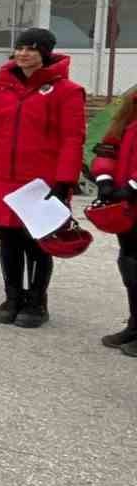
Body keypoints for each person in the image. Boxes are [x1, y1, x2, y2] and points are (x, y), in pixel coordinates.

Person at [0, 29, 84, 327]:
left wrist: (65, 179)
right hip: (0, 176)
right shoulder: (0, 89)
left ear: (46, 53)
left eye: (31, 49)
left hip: (41, 181)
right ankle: (12, 295)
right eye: (19, 48)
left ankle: (37, 300)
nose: (23, 54)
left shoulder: (67, 91)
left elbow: (72, 138)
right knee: (8, 239)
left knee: (38, 242)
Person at [90, 89, 137, 357]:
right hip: (126, 205)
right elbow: (108, 146)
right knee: (129, 263)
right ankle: (134, 324)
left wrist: (133, 185)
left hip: (131, 194)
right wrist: (105, 179)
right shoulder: (128, 109)